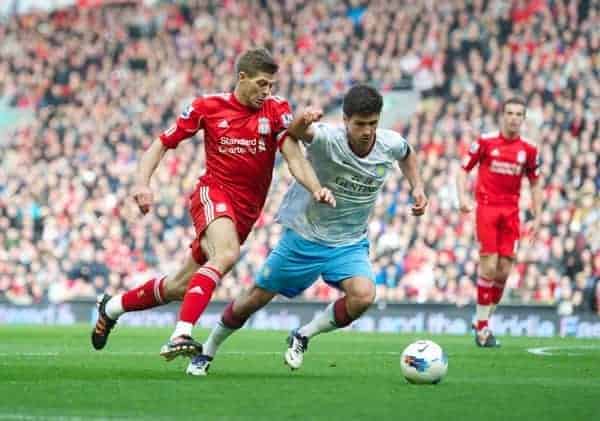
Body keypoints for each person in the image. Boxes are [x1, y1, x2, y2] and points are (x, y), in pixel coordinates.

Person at [90, 48, 335, 361]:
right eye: (261, 84)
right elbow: (162, 143)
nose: (267, 91)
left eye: (271, 85)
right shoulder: (207, 106)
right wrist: (141, 183)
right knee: (227, 254)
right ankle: (181, 333)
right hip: (213, 193)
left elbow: (294, 157)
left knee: (179, 285)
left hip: (245, 213)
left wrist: (316, 188)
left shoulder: (276, 111)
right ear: (241, 77)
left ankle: (111, 307)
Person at [185, 84, 428, 376]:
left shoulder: (389, 143)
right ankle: (208, 350)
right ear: (345, 120)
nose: (366, 131)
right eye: (359, 124)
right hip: (304, 236)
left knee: (363, 296)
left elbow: (407, 153)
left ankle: (303, 335)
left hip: (349, 243)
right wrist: (303, 118)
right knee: (253, 299)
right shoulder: (327, 138)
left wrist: (417, 187)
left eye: (372, 123)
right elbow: (295, 133)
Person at [457, 97, 542, 347]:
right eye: (510, 113)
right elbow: (463, 170)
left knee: (504, 271)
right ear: (502, 116)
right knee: (489, 266)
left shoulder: (529, 149)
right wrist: (462, 197)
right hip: (487, 208)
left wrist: (537, 215)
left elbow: (535, 183)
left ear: (524, 119)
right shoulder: (485, 141)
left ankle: (482, 320)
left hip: (512, 212)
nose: (514, 118)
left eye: (518, 114)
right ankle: (483, 328)